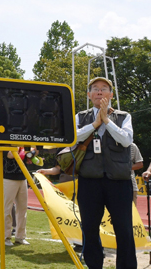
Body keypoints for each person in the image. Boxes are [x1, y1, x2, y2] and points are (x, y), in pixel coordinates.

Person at [76, 77, 136, 269]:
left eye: (104, 89)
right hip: (89, 180)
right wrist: (94, 124)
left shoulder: (124, 116)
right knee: (89, 229)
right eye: (95, 89)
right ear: (89, 95)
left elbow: (126, 140)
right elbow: (73, 138)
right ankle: (94, 266)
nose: (99, 92)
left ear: (111, 95)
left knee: (125, 230)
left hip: (118, 181)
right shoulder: (80, 117)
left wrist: (106, 121)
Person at [2, 148, 36, 247]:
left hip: (22, 177)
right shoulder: (4, 142)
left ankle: (20, 236)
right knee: (7, 208)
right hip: (8, 178)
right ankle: (6, 237)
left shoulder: (23, 144)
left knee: (22, 208)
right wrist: (22, 148)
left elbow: (34, 152)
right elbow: (10, 154)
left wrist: (31, 151)